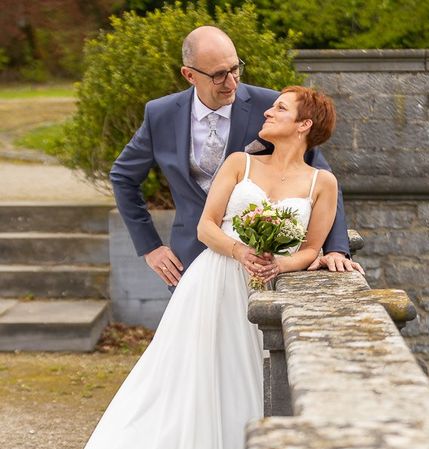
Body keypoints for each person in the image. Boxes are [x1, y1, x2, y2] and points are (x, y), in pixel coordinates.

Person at [69, 85, 351, 449]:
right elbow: (206, 226)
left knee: (250, 375)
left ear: (304, 124)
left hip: (266, 289)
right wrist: (240, 252)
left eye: (280, 109)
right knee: (194, 375)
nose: (268, 113)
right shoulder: (240, 163)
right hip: (213, 282)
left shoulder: (323, 183)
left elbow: (310, 248)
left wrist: (280, 266)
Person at [110, 25, 363, 289]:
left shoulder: (268, 106)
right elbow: (123, 177)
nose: (231, 83)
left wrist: (336, 249)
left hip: (260, 269)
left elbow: (321, 180)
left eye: (235, 68)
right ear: (189, 75)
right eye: (219, 75)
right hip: (189, 261)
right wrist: (150, 247)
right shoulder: (160, 115)